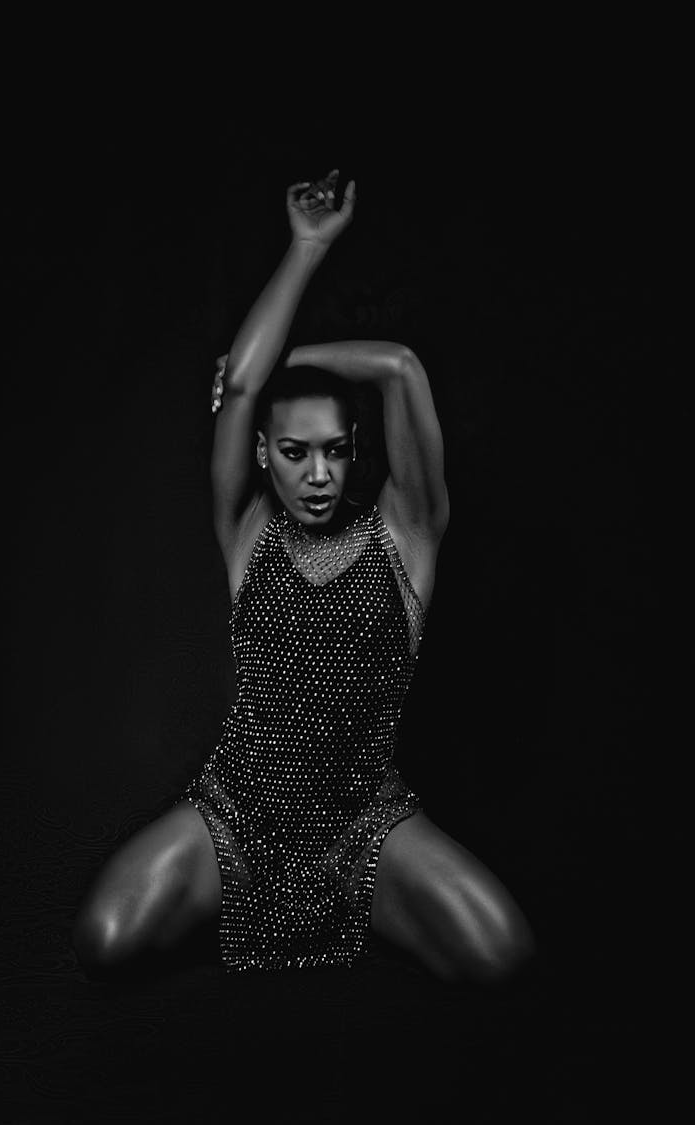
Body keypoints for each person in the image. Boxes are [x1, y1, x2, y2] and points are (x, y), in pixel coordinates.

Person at [72, 169, 536, 982]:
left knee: (503, 955)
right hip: (239, 812)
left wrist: (297, 358)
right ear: (263, 454)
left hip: (365, 822)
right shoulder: (246, 531)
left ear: (356, 448)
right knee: (106, 938)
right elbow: (243, 386)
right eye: (294, 451)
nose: (318, 474)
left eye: (334, 450)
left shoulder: (407, 534)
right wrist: (307, 246)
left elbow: (397, 367)